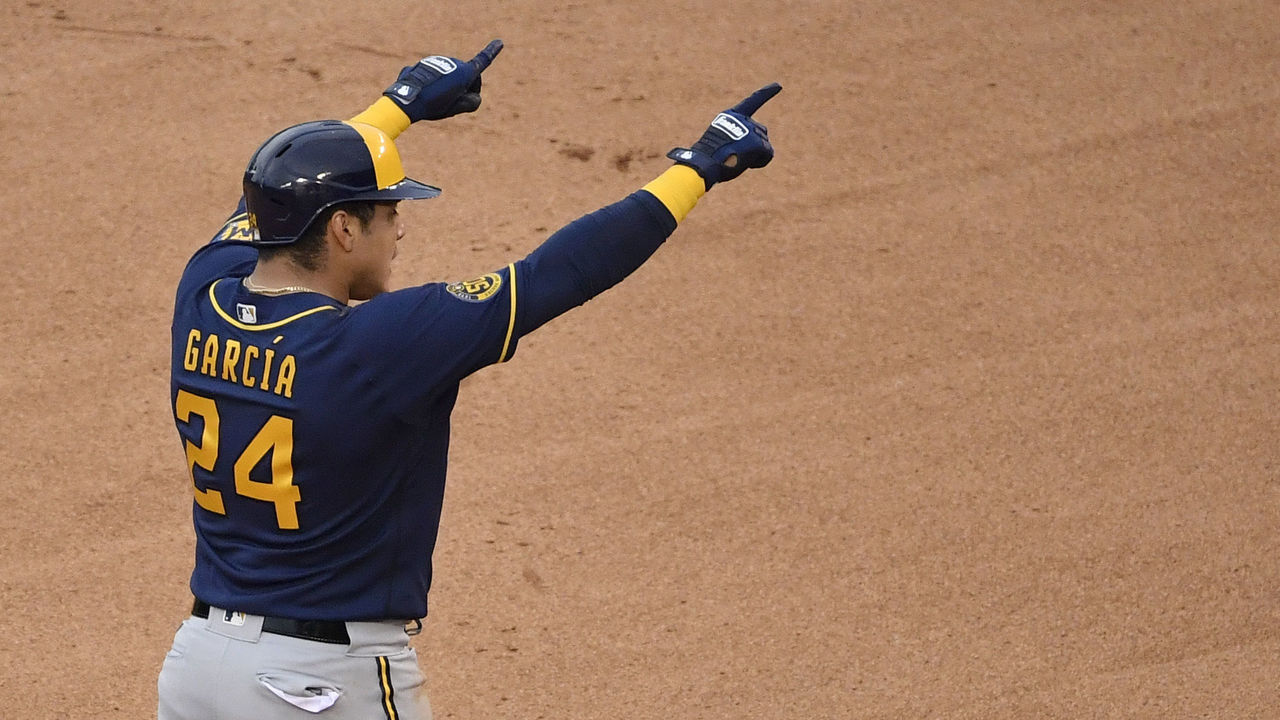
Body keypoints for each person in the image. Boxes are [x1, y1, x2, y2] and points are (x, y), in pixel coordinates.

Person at [157, 38, 780, 720]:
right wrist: (697, 169)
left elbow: (272, 202)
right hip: (322, 686)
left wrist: (399, 106)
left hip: (198, 672)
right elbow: (561, 272)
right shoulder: (380, 345)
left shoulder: (204, 294)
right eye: (389, 212)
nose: (399, 230)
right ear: (342, 229)